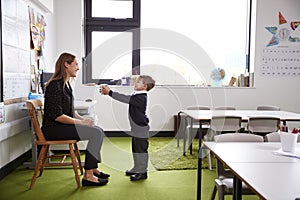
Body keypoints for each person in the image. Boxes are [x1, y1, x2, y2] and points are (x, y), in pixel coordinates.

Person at [41, 52, 109, 187]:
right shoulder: (54, 86)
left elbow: (71, 112)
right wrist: (81, 123)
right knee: (95, 133)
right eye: (76, 64)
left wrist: (84, 120)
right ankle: (88, 175)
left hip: (61, 127)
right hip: (53, 130)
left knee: (98, 130)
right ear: (66, 65)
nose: (78, 68)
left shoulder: (66, 85)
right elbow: (57, 116)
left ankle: (93, 168)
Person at [100, 75, 155, 181]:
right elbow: (128, 98)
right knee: (135, 149)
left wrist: (110, 93)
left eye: (138, 82)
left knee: (141, 151)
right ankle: (137, 168)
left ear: (144, 86)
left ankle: (143, 172)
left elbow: (125, 99)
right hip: (136, 128)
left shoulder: (141, 97)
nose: (135, 83)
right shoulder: (137, 95)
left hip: (141, 129)